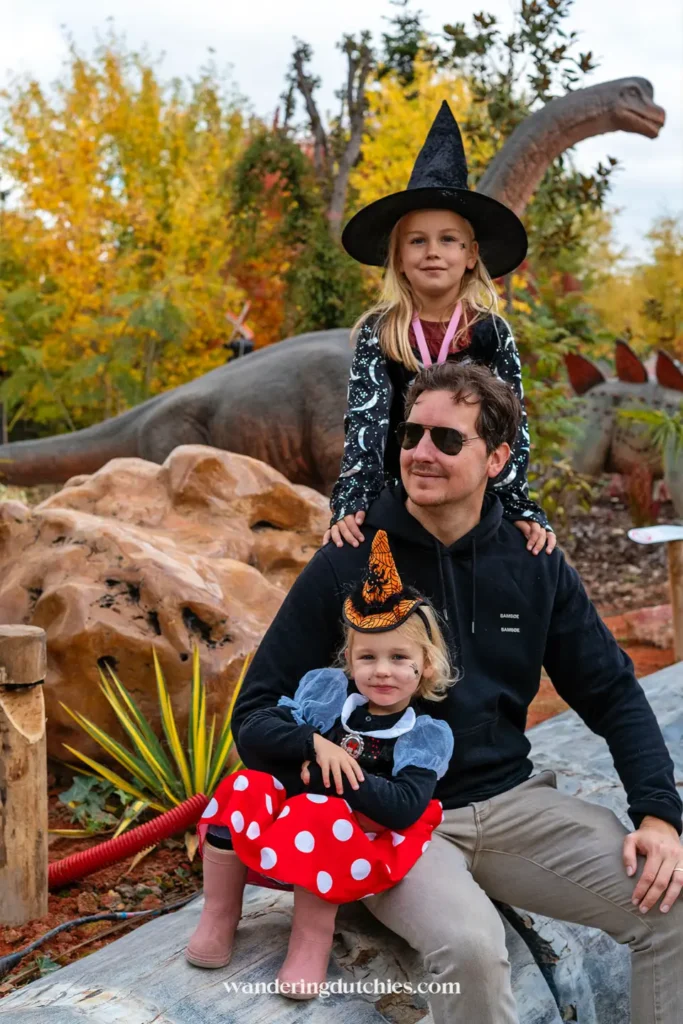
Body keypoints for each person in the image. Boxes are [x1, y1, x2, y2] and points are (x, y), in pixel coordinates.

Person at [231, 361, 683, 1023]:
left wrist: (658, 814)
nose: (420, 452)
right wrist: (318, 756)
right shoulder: (350, 559)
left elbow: (611, 691)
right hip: (390, 819)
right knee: (472, 948)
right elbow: (255, 710)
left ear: (496, 457)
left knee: (667, 905)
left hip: (510, 802)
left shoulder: (531, 561)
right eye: (411, 435)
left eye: (447, 440)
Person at [185, 529, 455, 1000]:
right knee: (246, 785)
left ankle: (311, 939)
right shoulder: (330, 700)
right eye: (367, 657)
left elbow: (404, 807)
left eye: (398, 657)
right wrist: (313, 744)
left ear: (425, 666)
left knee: (321, 810)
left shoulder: (420, 734)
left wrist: (336, 781)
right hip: (300, 826)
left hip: (359, 841)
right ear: (349, 661)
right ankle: (219, 915)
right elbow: (257, 731)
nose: (382, 670)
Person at [325, 100, 556, 557]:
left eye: (448, 239)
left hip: (474, 497)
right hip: (399, 497)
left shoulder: (491, 332)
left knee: (521, 558)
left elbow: (511, 425)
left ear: (471, 254)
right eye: (417, 241)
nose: (433, 252)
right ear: (399, 259)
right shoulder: (381, 331)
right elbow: (365, 421)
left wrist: (516, 503)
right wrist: (354, 497)